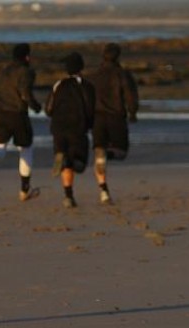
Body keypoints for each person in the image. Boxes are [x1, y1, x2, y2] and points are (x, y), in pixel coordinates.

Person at [0, 43, 42, 201]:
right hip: (18, 115)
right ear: (26, 57)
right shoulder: (26, 72)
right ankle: (24, 189)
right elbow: (25, 93)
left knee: (0, 152)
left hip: (0, 115)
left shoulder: (2, 72)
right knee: (26, 149)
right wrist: (37, 107)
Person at [86, 43, 139, 205]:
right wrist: (132, 113)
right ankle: (107, 155)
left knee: (99, 151)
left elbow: (87, 98)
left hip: (97, 118)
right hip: (116, 117)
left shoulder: (93, 76)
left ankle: (103, 190)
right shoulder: (122, 75)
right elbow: (130, 95)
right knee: (122, 152)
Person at [45, 52, 95, 208]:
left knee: (66, 162)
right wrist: (89, 124)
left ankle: (68, 196)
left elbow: (48, 109)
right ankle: (67, 161)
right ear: (81, 67)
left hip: (58, 127)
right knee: (79, 164)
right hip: (77, 128)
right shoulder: (87, 86)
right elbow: (90, 108)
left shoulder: (58, 84)